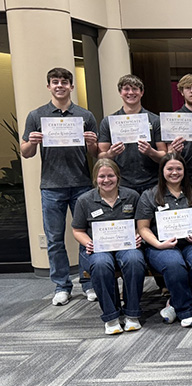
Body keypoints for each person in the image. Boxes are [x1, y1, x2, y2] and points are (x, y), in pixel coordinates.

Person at [21, 67, 99, 306]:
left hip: (81, 184)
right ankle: (61, 286)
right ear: (49, 86)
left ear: (71, 86)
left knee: (87, 237)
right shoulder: (37, 115)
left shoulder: (85, 115)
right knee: (55, 239)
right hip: (51, 186)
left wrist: (92, 143)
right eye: (55, 82)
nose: (59, 86)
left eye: (64, 82)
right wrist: (32, 142)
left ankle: (88, 282)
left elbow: (95, 154)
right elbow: (26, 152)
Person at [136, 153, 192, 327]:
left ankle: (173, 304)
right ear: (162, 171)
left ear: (184, 171)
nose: (174, 172)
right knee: (174, 265)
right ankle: (186, 311)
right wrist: (158, 244)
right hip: (161, 245)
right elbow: (143, 227)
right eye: (169, 168)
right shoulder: (150, 195)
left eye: (179, 168)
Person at [71, 159, 146, 334]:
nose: (106, 180)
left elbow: (141, 224)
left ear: (118, 176)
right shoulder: (84, 200)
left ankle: (132, 313)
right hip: (99, 247)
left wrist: (138, 235)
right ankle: (111, 316)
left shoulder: (132, 196)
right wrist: (88, 242)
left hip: (127, 245)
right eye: (102, 176)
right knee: (100, 264)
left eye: (110, 175)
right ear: (95, 179)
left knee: (134, 260)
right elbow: (77, 230)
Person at [97, 74, 166, 193]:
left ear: (142, 92)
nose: (131, 92)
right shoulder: (108, 122)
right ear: (120, 92)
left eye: (135, 89)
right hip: (121, 183)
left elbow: (164, 155)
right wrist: (110, 153)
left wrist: (151, 152)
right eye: (126, 89)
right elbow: (100, 156)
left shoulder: (155, 120)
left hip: (152, 183)